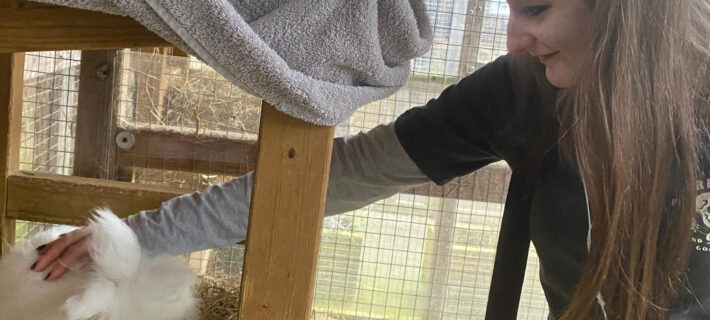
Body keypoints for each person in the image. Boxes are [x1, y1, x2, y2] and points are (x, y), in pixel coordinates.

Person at [31, 0, 710, 318]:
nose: (514, 39)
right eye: (507, 7)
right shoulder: (520, 91)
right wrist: (131, 238)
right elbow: (342, 175)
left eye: (536, 7)